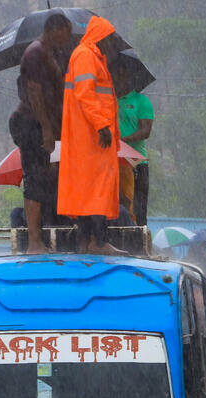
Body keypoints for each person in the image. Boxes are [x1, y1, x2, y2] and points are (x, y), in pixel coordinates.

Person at [58, 16, 127, 254]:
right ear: (101, 37)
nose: (112, 43)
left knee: (88, 191)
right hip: (92, 136)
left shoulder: (90, 57)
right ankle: (99, 242)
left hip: (90, 136)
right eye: (110, 38)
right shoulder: (86, 56)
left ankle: (88, 241)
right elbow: (85, 95)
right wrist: (102, 126)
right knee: (97, 189)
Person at [9, 14, 73, 254]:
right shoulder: (34, 52)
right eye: (65, 34)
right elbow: (34, 91)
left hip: (48, 126)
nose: (66, 40)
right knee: (35, 180)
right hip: (31, 124)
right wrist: (46, 128)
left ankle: (43, 239)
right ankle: (34, 242)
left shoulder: (50, 53)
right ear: (55, 30)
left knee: (49, 179)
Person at [113, 57, 153, 226]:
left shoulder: (142, 101)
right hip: (113, 160)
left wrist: (122, 140)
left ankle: (140, 239)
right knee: (117, 202)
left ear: (130, 77)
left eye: (121, 75)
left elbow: (146, 131)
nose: (118, 79)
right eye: (115, 75)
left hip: (136, 160)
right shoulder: (109, 100)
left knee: (138, 205)